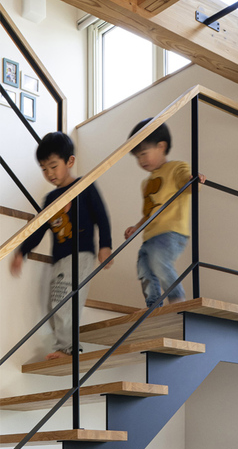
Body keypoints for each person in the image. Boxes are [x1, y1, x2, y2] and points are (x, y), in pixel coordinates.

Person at [10, 132, 113, 360]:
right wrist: (22, 252)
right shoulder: (50, 200)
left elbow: (101, 216)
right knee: (53, 304)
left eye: (53, 166)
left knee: (63, 301)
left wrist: (105, 245)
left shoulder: (84, 187)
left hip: (80, 255)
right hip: (60, 258)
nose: (49, 173)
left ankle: (68, 349)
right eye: (44, 169)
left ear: (70, 161)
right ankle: (67, 345)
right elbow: (38, 229)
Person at [124, 119, 205, 308]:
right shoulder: (146, 183)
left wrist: (195, 181)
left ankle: (177, 299)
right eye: (137, 157)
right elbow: (149, 213)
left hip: (171, 232)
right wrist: (137, 227)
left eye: (144, 154)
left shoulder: (177, 167)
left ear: (161, 147)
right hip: (150, 236)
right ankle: (153, 306)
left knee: (159, 261)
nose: (141, 161)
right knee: (144, 269)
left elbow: (188, 184)